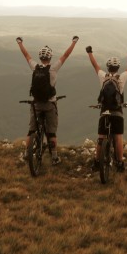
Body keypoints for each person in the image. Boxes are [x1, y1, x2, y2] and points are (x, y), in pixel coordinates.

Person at [17, 35, 79, 165]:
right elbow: (65, 55)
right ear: (50, 57)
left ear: (40, 57)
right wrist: (74, 42)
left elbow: (26, 55)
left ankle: (27, 154)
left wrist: (20, 43)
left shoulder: (35, 67)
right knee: (51, 133)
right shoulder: (53, 68)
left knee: (31, 130)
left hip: (36, 103)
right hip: (50, 104)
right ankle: (55, 157)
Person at [86, 44, 127, 172]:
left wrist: (89, 52)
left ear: (108, 67)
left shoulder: (103, 77)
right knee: (118, 137)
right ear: (118, 68)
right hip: (117, 112)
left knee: (101, 137)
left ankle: (97, 162)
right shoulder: (121, 78)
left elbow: (95, 66)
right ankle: (120, 163)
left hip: (104, 111)